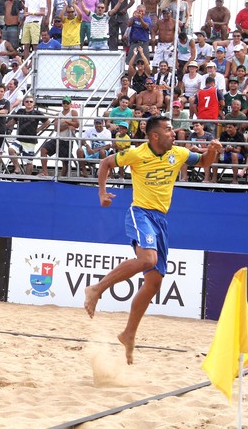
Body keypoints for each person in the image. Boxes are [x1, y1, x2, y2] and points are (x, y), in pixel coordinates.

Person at [83, 117, 221, 365]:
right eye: (169, 130)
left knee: (154, 283)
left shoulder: (178, 153)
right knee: (147, 259)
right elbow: (105, 163)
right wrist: (102, 193)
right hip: (141, 212)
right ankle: (96, 289)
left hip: (161, 220)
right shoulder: (136, 154)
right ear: (155, 136)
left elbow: (203, 162)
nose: (174, 133)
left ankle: (128, 334)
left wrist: (211, 151)